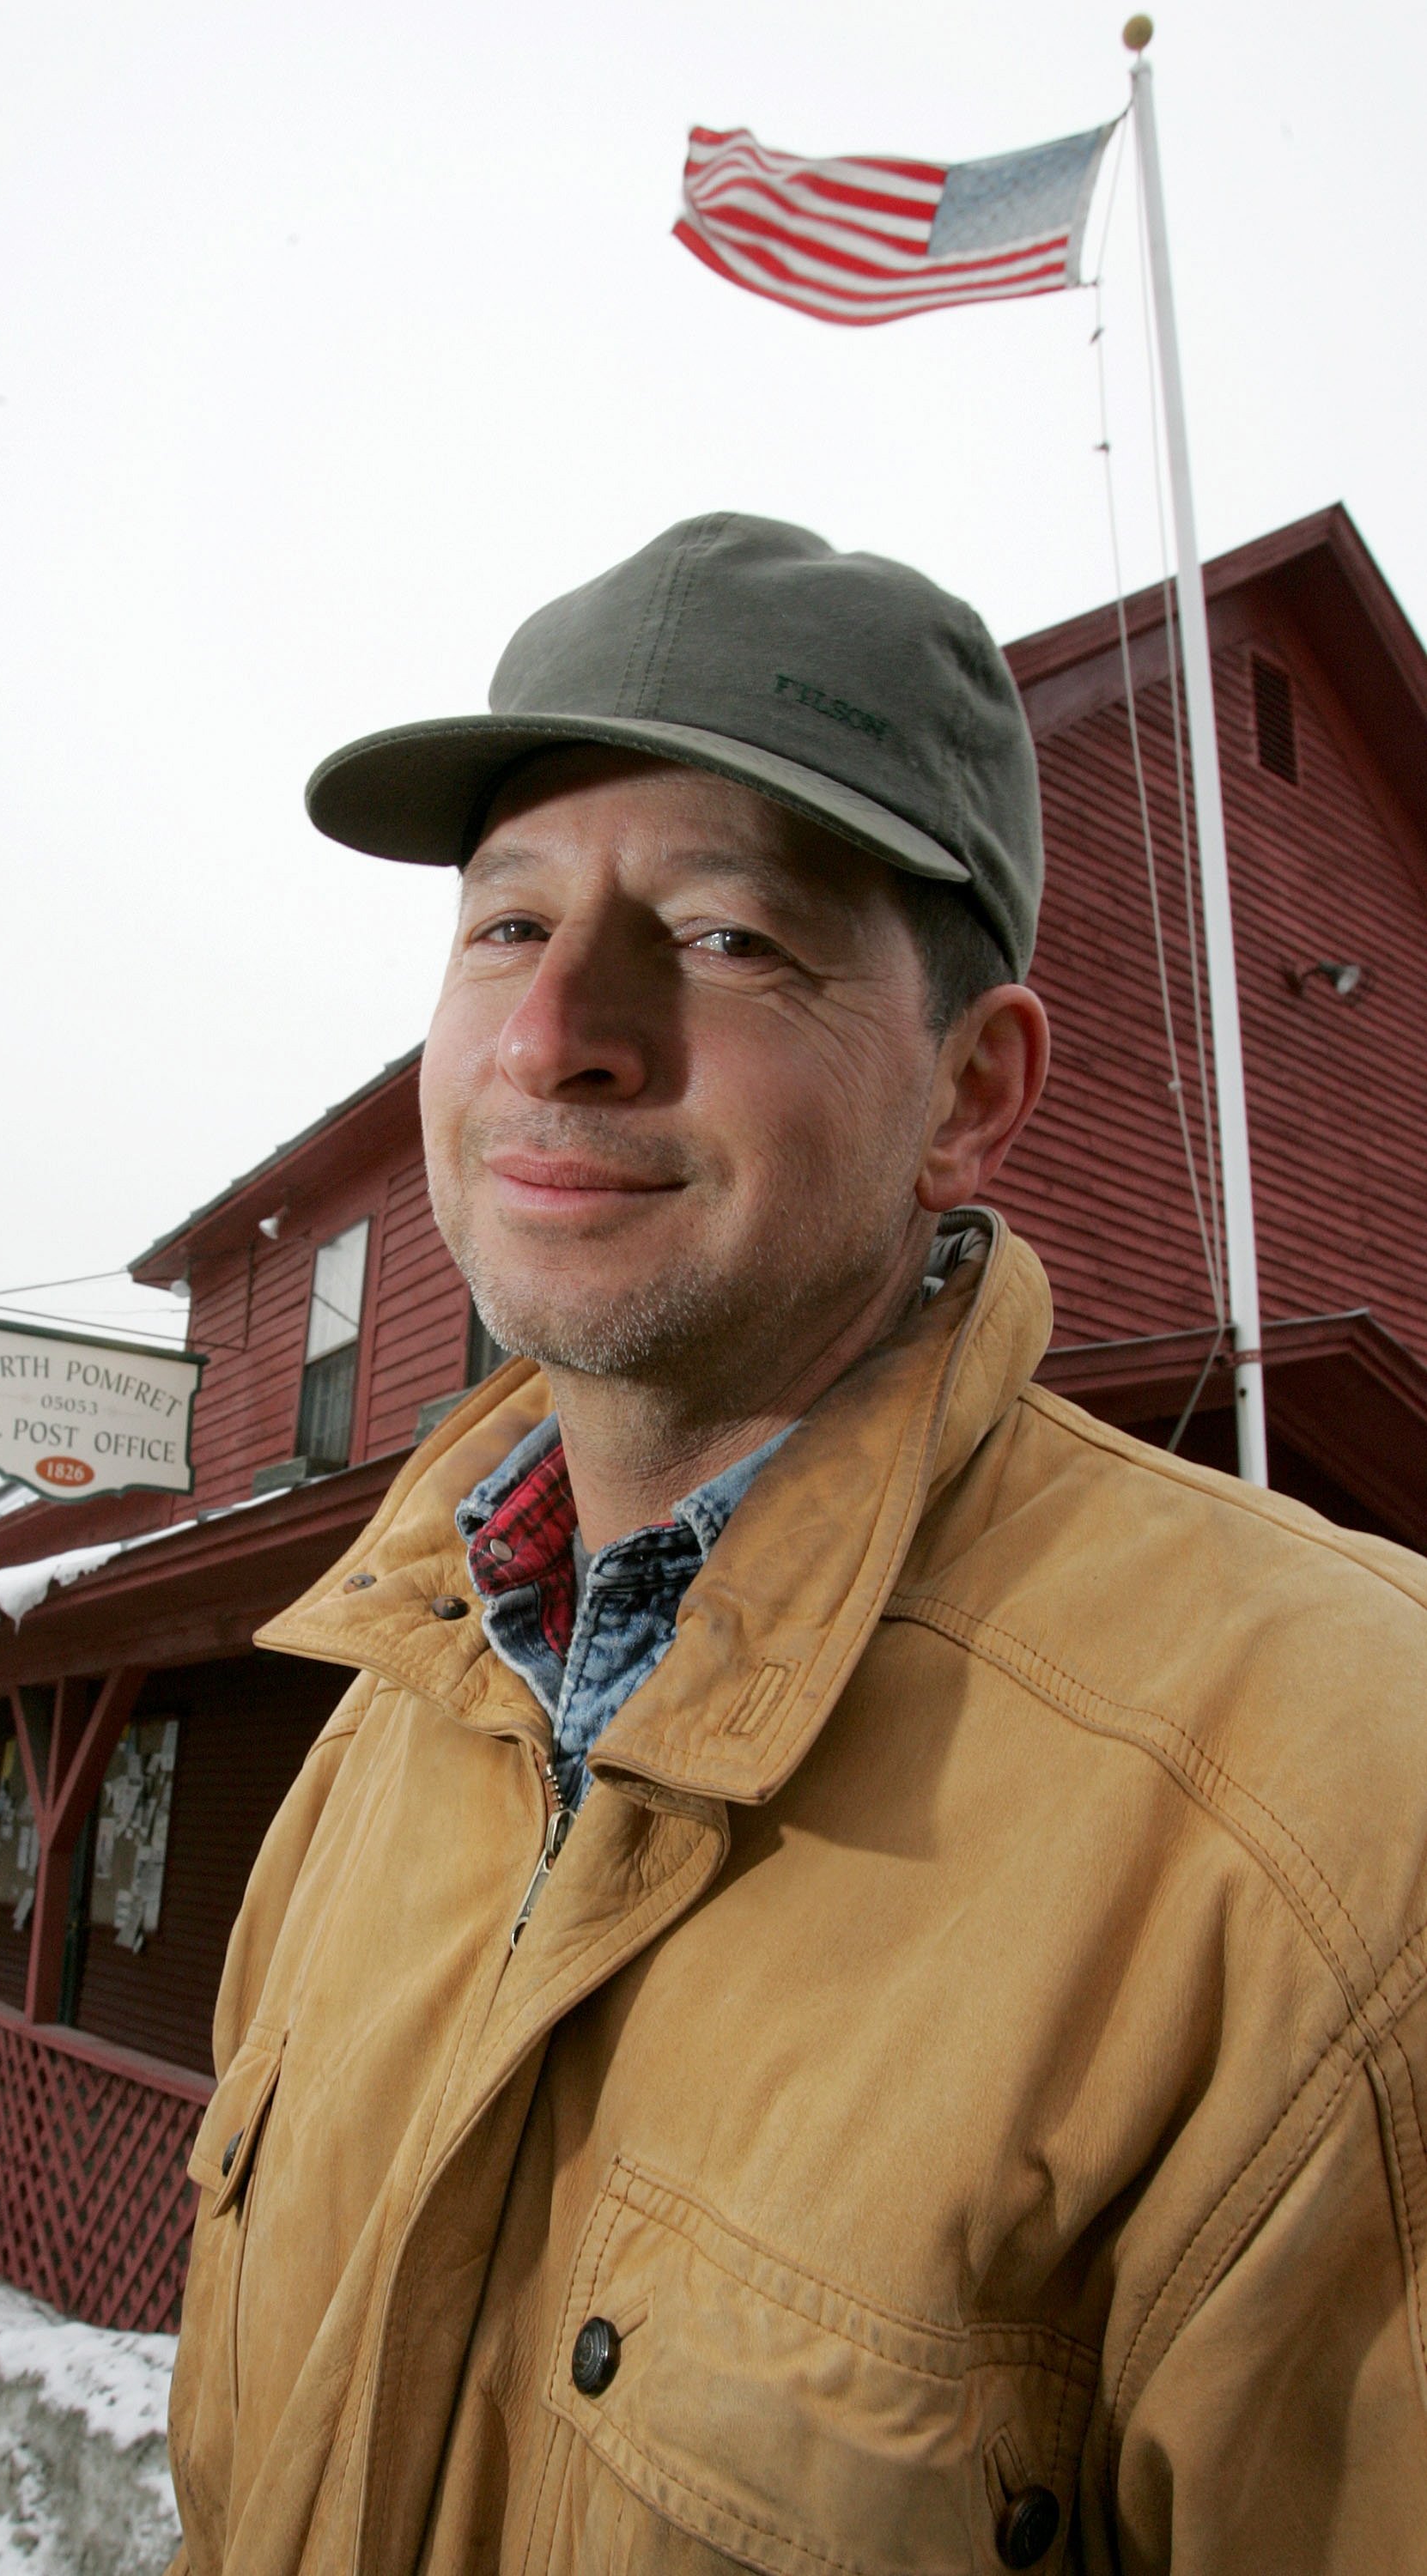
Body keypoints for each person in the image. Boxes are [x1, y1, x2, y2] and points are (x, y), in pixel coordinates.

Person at [164, 515, 1427, 2573]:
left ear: (970, 1092)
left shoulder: (1348, 1819)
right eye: (503, 925)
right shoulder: (382, 1729)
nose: (558, 1026)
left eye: (729, 934)